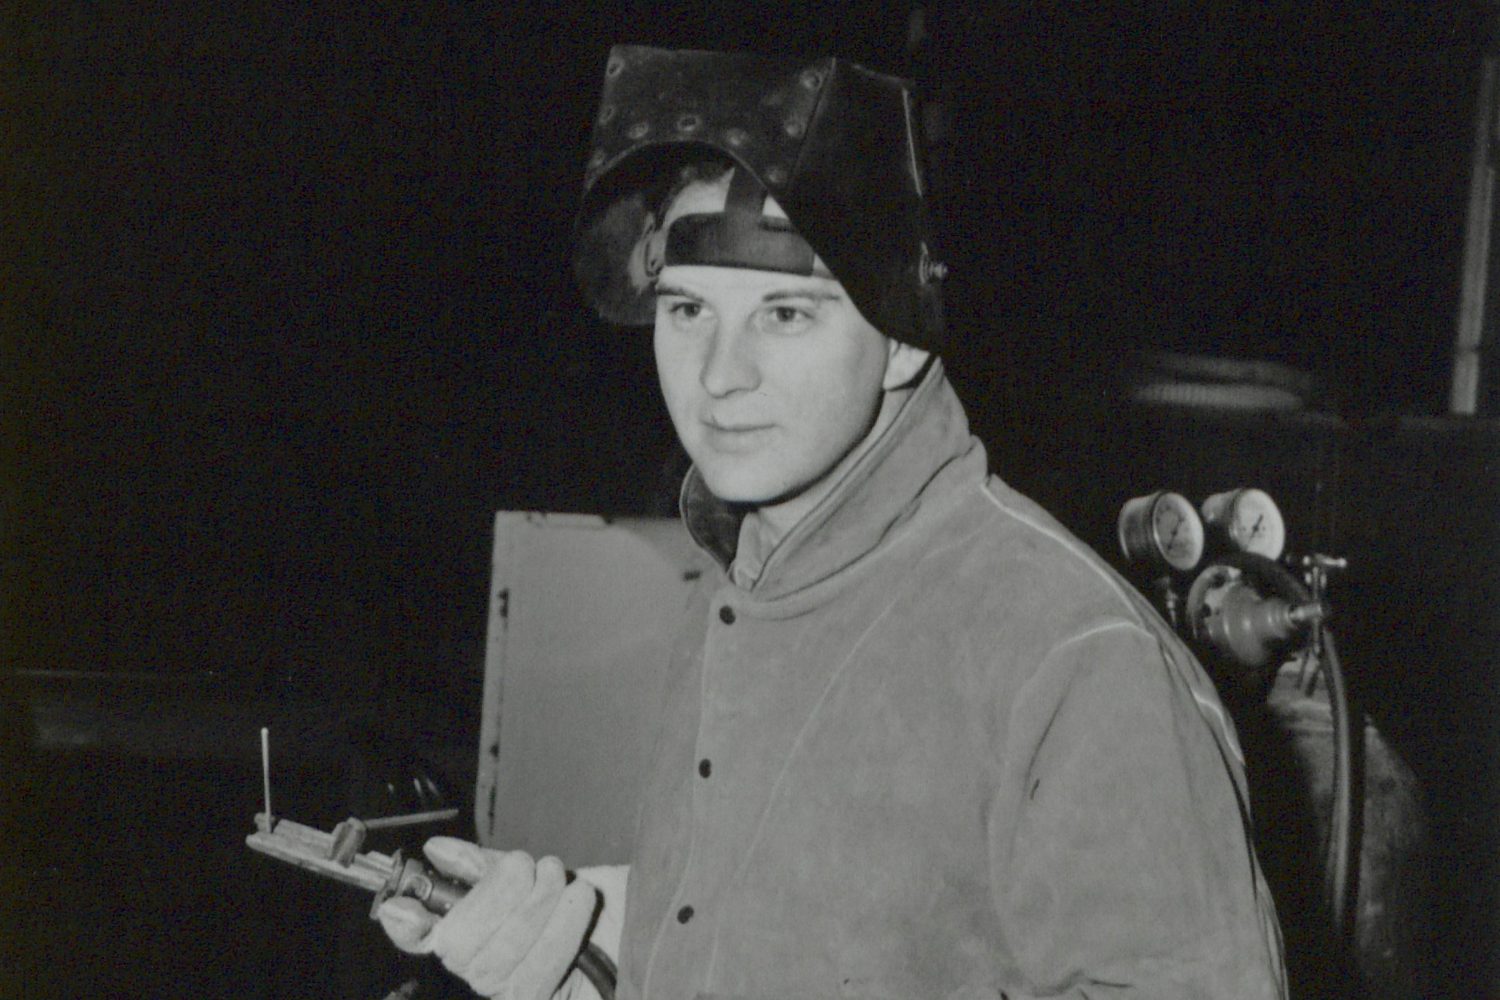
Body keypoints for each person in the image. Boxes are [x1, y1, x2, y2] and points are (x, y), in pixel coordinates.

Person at [378, 45, 1288, 999]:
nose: (720, 375)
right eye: (687, 309)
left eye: (785, 315)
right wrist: (585, 944)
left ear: (898, 342)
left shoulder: (1071, 655)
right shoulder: (748, 582)